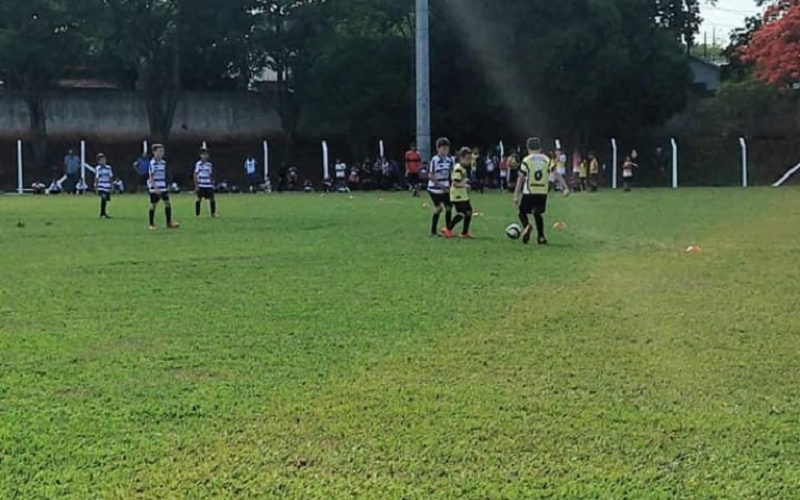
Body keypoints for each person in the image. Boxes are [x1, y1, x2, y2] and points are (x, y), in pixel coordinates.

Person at [514, 137, 569, 245]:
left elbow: (521, 177)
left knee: (521, 212)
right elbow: (556, 174)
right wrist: (565, 187)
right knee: (537, 212)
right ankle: (541, 237)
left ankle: (527, 226)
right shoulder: (546, 159)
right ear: (540, 147)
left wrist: (516, 194)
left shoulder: (527, 160)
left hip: (529, 191)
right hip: (542, 191)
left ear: (528, 147)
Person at [443, 147, 475, 239]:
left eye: (470, 159)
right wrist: (464, 185)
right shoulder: (458, 168)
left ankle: (464, 233)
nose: (469, 161)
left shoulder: (463, 168)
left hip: (462, 194)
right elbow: (455, 183)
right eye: (468, 159)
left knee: (468, 211)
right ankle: (448, 229)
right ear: (461, 158)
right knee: (462, 213)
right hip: (457, 195)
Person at [427, 137, 454, 238]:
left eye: (447, 148)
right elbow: (431, 175)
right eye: (443, 148)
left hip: (446, 188)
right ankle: (433, 232)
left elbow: (451, 173)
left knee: (449, 208)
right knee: (439, 209)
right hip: (434, 189)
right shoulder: (435, 160)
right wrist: (440, 185)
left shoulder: (450, 160)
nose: (445, 150)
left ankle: (448, 230)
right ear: (438, 149)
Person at [147, 144, 179, 230]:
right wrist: (155, 187)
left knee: (167, 203)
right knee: (153, 205)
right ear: (154, 152)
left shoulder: (163, 163)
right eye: (159, 151)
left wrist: (167, 185)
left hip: (163, 186)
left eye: (162, 151)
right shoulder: (152, 163)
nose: (161, 153)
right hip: (155, 187)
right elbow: (151, 176)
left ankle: (169, 223)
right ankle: (151, 224)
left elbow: (164, 175)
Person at [195, 148, 218, 218]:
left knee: (212, 199)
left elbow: (210, 174)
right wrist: (196, 185)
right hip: (201, 184)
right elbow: (195, 174)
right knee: (199, 199)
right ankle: (197, 214)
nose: (205, 156)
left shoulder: (209, 165)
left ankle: (213, 213)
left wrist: (212, 182)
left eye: (206, 155)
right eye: (203, 154)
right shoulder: (198, 164)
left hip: (208, 184)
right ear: (200, 155)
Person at [94, 153, 114, 219]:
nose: (103, 161)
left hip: (107, 186)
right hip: (101, 186)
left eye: (104, 159)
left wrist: (112, 185)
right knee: (103, 198)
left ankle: (103, 213)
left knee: (106, 200)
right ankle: (102, 214)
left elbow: (110, 177)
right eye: (101, 160)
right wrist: (96, 187)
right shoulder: (98, 168)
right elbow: (96, 178)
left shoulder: (109, 168)